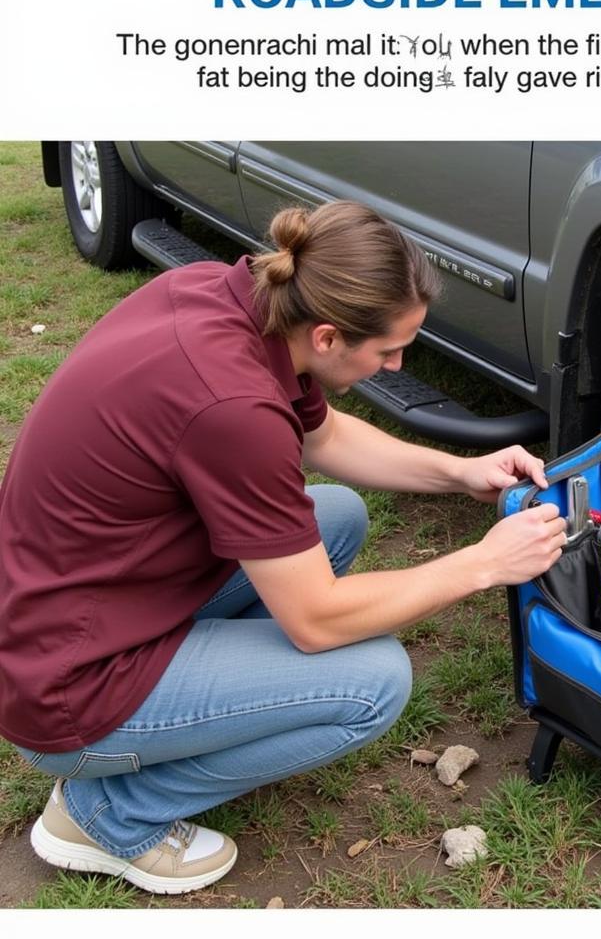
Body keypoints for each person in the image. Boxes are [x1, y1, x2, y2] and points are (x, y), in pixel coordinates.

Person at [0, 200, 566, 894]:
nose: (396, 364)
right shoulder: (232, 408)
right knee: (371, 684)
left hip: (80, 603)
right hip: (69, 688)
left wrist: (458, 471)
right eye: (389, 349)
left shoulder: (229, 293)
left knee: (337, 517)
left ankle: (211, 693)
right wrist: (484, 563)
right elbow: (315, 618)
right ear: (327, 337)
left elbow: (323, 438)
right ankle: (108, 816)